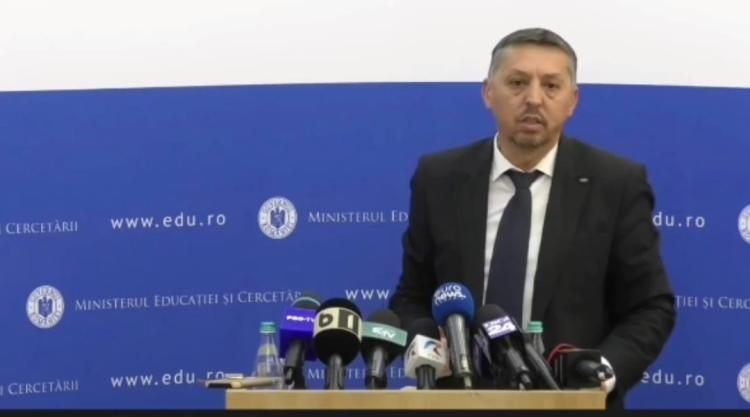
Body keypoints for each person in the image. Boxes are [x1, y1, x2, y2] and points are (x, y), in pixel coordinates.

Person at [389, 27, 676, 407]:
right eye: (517, 83)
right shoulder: (440, 178)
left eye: (551, 86)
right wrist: (427, 344)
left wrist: (601, 370)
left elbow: (650, 305)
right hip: (458, 399)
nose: (534, 99)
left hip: (570, 401)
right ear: (488, 92)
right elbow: (412, 295)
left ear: (573, 101)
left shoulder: (615, 183)